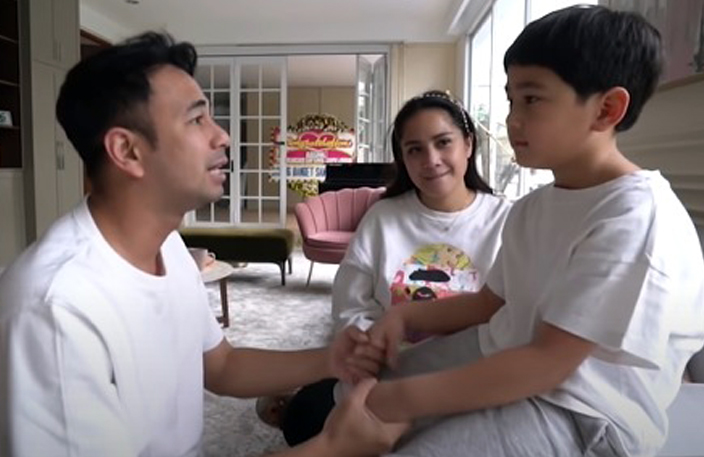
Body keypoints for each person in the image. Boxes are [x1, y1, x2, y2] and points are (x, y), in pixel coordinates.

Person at [0, 32, 406, 457]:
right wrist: (331, 448)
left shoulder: (170, 248)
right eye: (196, 120)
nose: (223, 137)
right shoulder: (56, 309)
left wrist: (331, 360)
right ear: (127, 151)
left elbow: (222, 366)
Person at [344, 5, 704, 457]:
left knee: (391, 421)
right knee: (353, 390)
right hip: (505, 355)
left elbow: (547, 363)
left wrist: (399, 401)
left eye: (531, 99)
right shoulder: (533, 207)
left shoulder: (634, 216)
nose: (512, 119)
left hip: (583, 413)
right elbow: (489, 303)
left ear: (606, 109)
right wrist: (403, 318)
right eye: (511, 100)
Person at [269, 90, 512, 445]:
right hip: (391, 369)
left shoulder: (507, 220)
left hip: (467, 377)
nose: (431, 160)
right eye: (415, 149)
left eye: (443, 142)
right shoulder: (383, 217)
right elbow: (351, 304)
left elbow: (513, 316)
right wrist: (367, 346)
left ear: (468, 144)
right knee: (304, 418)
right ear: (403, 158)